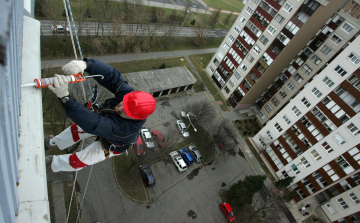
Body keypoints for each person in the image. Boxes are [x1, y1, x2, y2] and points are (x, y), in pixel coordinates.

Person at [45, 59, 156, 172]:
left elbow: (94, 123)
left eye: (125, 112)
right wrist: (87, 65)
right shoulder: (130, 97)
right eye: (124, 103)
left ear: (134, 118)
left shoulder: (125, 130)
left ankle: (52, 162)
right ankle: (51, 142)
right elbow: (113, 77)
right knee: (76, 129)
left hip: (111, 144)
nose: (119, 108)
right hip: (106, 120)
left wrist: (65, 98)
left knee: (80, 160)